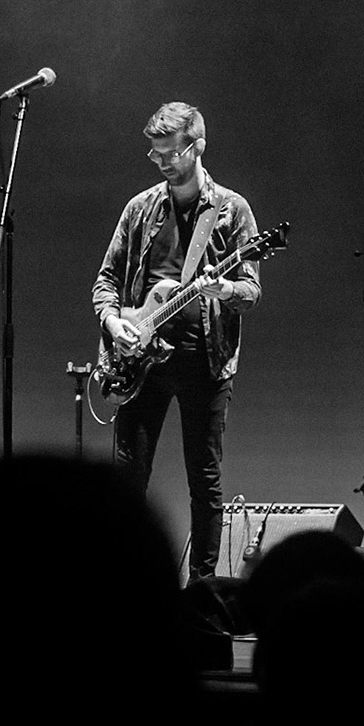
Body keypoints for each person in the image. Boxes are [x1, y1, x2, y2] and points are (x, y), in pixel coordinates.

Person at [92, 101, 262, 583]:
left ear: (198, 146)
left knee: (204, 483)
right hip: (138, 360)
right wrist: (112, 321)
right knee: (127, 481)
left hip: (204, 362)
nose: (163, 161)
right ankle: (124, 585)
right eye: (155, 153)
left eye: (171, 152)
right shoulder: (140, 208)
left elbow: (250, 290)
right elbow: (105, 280)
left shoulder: (232, 210)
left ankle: (202, 593)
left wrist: (222, 288)